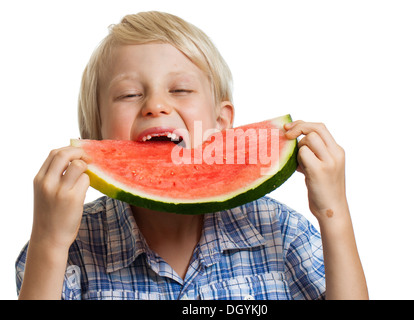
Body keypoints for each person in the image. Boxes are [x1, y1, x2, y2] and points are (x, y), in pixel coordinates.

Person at [16, 11, 368, 300]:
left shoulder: (281, 231)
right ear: (95, 135)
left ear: (221, 124)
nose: (155, 105)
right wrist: (50, 241)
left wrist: (333, 213)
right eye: (128, 94)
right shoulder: (70, 248)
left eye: (180, 89)